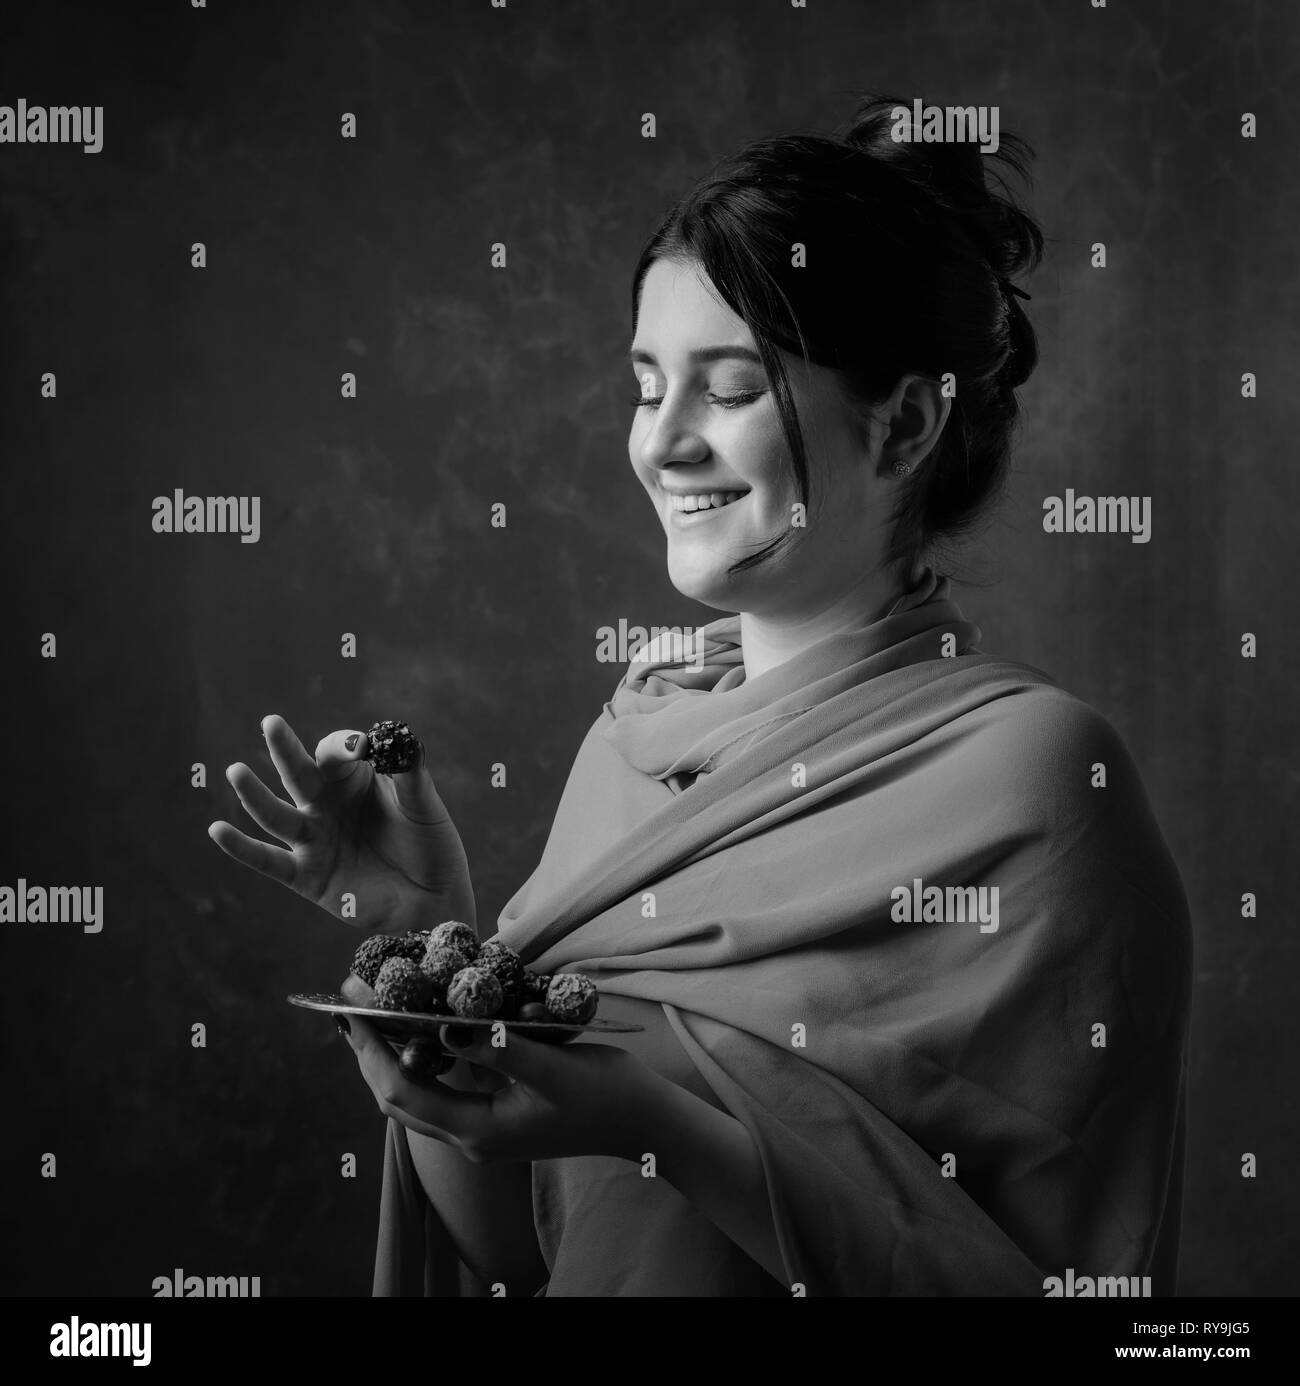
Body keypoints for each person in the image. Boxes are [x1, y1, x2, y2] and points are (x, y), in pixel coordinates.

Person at [209, 95, 1191, 1297]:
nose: (659, 445)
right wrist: (423, 943)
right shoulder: (634, 736)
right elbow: (532, 1249)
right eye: (643, 385)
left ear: (906, 425)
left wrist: (661, 1124)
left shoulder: (1038, 780)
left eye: (725, 391)